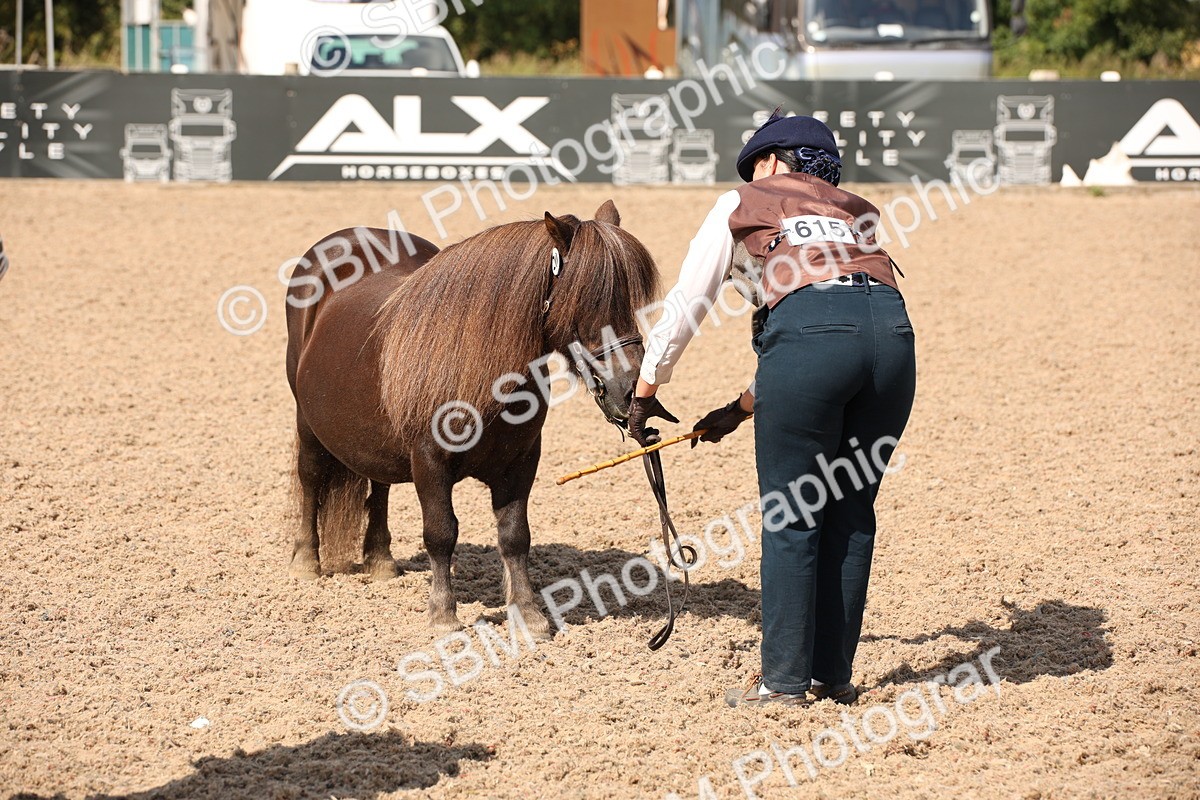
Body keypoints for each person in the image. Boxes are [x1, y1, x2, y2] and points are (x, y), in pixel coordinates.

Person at [627, 111, 916, 707]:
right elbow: (846, 331)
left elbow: (690, 304)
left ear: (773, 160)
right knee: (852, 511)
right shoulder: (851, 210)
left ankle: (781, 683)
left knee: (792, 515)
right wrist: (740, 407)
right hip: (894, 341)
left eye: (756, 162)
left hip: (814, 346)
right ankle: (831, 677)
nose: (753, 173)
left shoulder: (742, 200)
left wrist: (647, 387)